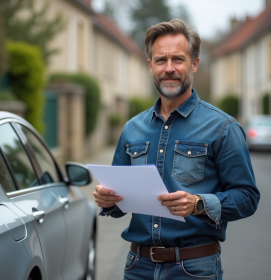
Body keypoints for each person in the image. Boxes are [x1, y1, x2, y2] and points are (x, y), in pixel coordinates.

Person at [93, 19, 260, 280]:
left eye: (178, 59)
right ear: (150, 66)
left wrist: (199, 204)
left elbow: (248, 197)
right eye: (161, 60)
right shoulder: (132, 128)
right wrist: (108, 201)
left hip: (195, 268)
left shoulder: (223, 127)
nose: (169, 68)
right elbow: (119, 199)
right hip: (137, 267)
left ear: (194, 63)